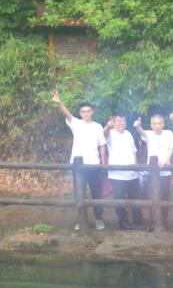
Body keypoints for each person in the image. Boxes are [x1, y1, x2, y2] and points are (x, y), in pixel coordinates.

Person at [52, 90, 107, 232]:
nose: (86, 114)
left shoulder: (98, 126)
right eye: (83, 112)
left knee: (97, 194)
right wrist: (59, 103)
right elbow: (67, 114)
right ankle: (81, 220)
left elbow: (102, 145)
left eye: (88, 111)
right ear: (80, 113)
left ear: (92, 112)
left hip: (94, 165)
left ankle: (99, 219)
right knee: (79, 194)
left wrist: (103, 163)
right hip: (78, 167)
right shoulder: (76, 124)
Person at [134, 113, 173, 232]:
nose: (157, 126)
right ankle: (153, 222)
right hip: (151, 173)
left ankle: (164, 222)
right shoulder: (149, 134)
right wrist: (138, 126)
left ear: (163, 124)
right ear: (151, 125)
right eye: (154, 124)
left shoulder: (169, 133)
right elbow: (141, 133)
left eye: (159, 123)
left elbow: (171, 149)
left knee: (165, 197)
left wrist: (164, 161)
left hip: (165, 172)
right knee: (151, 197)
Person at [104, 113, 143, 230]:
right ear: (114, 122)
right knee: (119, 199)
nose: (121, 123)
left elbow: (134, 152)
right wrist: (108, 126)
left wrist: (137, 168)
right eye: (118, 121)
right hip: (117, 175)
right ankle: (123, 222)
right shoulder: (110, 133)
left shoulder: (128, 134)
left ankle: (137, 219)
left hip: (132, 174)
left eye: (123, 121)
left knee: (135, 198)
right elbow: (103, 135)